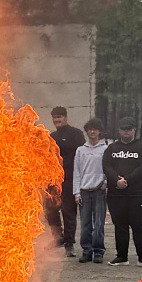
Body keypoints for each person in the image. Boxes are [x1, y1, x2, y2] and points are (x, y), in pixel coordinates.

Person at [102, 118, 142, 268]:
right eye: (123, 129)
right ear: (119, 131)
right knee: (120, 226)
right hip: (116, 195)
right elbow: (106, 166)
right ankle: (122, 256)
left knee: (139, 226)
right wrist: (116, 180)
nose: (126, 132)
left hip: (137, 194)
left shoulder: (141, 148)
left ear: (133, 130)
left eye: (129, 129)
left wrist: (127, 180)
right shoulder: (112, 148)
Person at [47, 107, 86, 257]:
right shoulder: (52, 136)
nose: (57, 120)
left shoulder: (76, 134)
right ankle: (58, 238)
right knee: (51, 210)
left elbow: (82, 155)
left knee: (68, 211)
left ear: (65, 117)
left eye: (59, 117)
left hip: (70, 178)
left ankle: (69, 244)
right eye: (54, 117)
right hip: (54, 180)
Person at [72, 118, 108, 264]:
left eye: (95, 129)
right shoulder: (81, 150)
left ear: (100, 131)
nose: (92, 132)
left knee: (99, 222)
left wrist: (105, 184)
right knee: (85, 223)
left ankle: (98, 251)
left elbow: (108, 169)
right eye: (90, 129)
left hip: (99, 190)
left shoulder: (105, 149)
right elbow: (77, 172)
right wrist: (77, 192)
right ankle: (86, 250)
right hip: (84, 191)